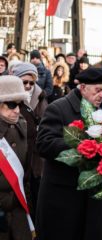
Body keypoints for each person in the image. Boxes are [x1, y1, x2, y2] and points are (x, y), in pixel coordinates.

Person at [35, 68, 102, 240]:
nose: (101, 95)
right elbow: (44, 144)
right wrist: (82, 147)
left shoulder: (101, 112)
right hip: (63, 196)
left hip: (92, 196)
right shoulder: (58, 108)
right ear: (82, 87)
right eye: (97, 90)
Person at [12, 62, 48, 221]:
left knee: (36, 192)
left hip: (36, 154)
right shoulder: (11, 97)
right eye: (24, 82)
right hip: (17, 149)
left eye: (31, 82)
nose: (27, 86)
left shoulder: (41, 96)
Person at [0, 75, 32, 240]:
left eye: (20, 104)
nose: (17, 110)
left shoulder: (23, 124)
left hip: (20, 209)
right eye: (11, 105)